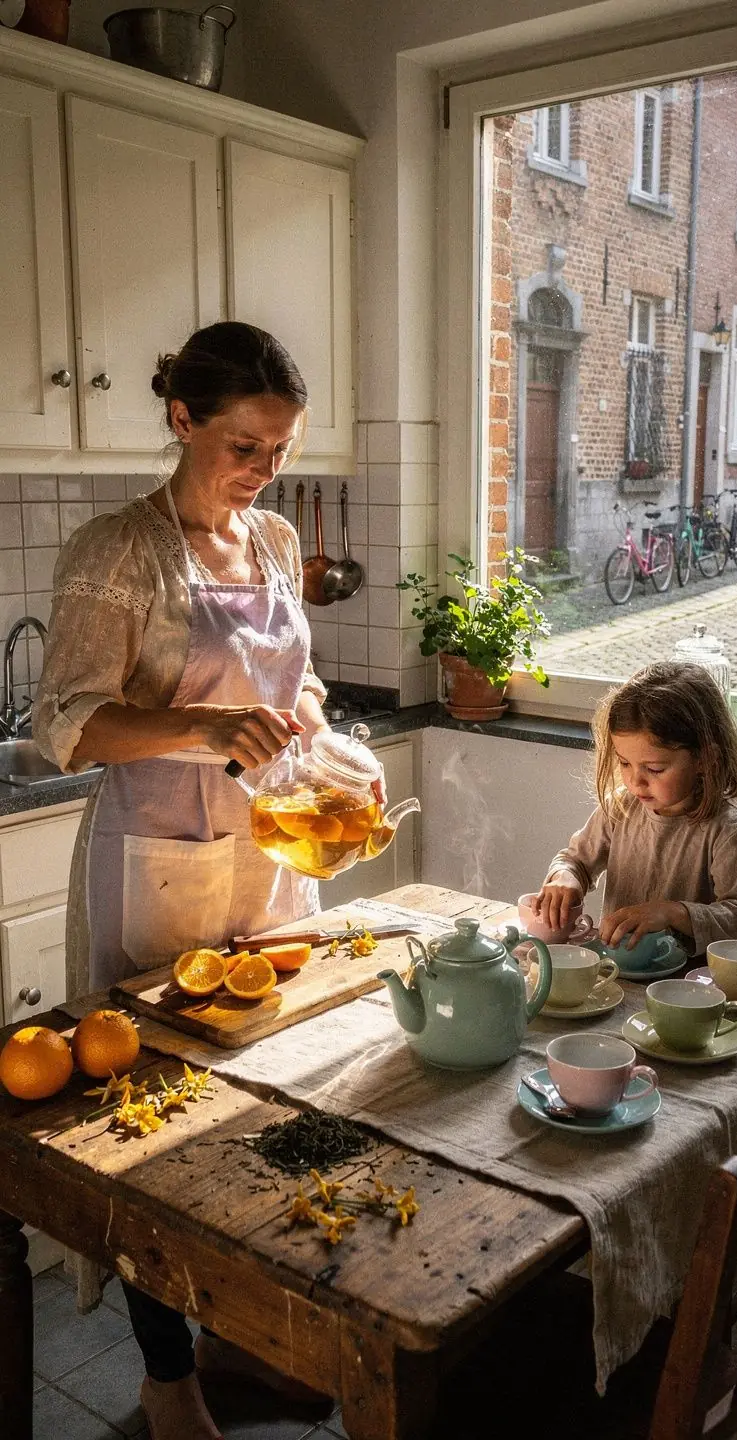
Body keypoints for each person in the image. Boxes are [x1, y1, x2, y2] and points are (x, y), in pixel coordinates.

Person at [33, 321, 341, 1440]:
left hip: (266, 860)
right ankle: (169, 1381)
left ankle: (239, 1342)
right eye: (244, 446)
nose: (264, 470)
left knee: (265, 1102)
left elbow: (294, 692)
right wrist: (205, 726)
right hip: (157, 866)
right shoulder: (118, 551)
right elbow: (65, 723)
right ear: (182, 420)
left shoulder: (272, 541)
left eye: (279, 450)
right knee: (153, 1131)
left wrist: (324, 745)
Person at [534, 662, 737, 954]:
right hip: (616, 970)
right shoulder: (620, 808)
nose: (635, 781)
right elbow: (575, 861)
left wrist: (672, 912)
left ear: (705, 759)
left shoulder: (727, 828)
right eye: (624, 763)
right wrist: (565, 877)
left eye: (654, 769)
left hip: (689, 979)